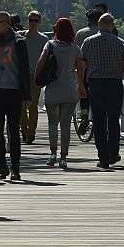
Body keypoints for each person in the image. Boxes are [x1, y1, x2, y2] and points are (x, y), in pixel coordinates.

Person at [79, 12, 124, 169]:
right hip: (114, 85)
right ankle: (113, 153)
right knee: (113, 121)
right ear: (112, 25)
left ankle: (103, 157)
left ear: (98, 25)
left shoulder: (88, 42)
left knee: (98, 121)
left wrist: (80, 86)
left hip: (95, 85)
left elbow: (82, 67)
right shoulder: (120, 43)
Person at [0, 10, 31, 181]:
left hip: (14, 91)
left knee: (14, 130)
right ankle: (2, 166)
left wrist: (27, 95)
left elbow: (25, 69)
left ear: (5, 23)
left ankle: (15, 167)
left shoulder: (19, 42)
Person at [36, 17, 84, 169]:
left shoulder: (50, 45)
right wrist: (80, 87)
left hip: (53, 89)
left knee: (52, 123)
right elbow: (81, 70)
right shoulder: (75, 48)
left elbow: (40, 63)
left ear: (56, 30)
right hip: (70, 90)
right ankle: (64, 157)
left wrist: (37, 79)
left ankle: (53, 153)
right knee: (65, 125)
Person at [20, 10, 50, 145]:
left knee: (33, 105)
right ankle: (24, 130)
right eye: (31, 20)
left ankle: (31, 131)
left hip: (35, 75)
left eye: (35, 21)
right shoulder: (20, 38)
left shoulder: (43, 39)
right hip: (21, 75)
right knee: (20, 105)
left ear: (39, 22)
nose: (33, 23)